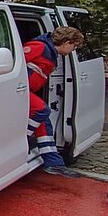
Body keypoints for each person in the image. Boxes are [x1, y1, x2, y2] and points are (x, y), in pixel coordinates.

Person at [24, 26, 85, 178]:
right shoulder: (39, 47)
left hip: (26, 90)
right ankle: (22, 140)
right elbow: (15, 63)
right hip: (18, 90)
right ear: (66, 42)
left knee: (45, 124)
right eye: (74, 46)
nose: (73, 50)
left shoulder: (50, 50)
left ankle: (54, 163)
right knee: (42, 110)